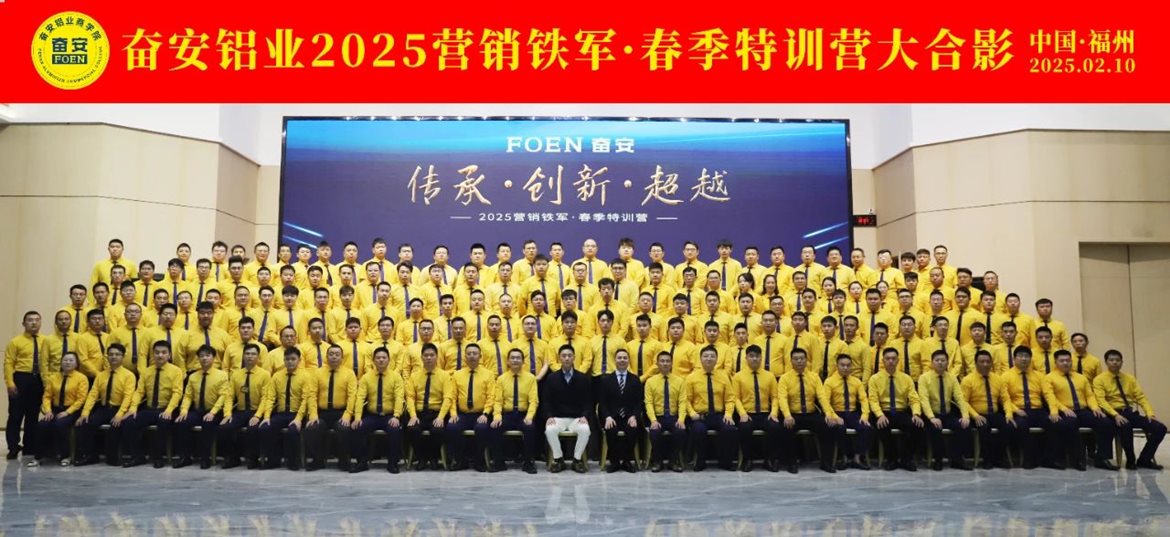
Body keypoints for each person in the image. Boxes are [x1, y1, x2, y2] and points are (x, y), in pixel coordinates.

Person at [1045, 349, 1118, 471]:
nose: (1065, 363)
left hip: (1083, 410)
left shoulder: (1081, 377)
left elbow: (1089, 395)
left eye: (1068, 360)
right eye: (1062, 361)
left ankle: (1102, 458)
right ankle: (1077, 460)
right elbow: (1050, 397)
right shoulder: (1049, 378)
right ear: (1056, 362)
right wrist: (1063, 409)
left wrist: (1095, 408)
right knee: (1071, 424)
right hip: (1065, 411)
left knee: (1105, 422)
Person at [1093, 349, 1165, 470]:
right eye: (1111, 360)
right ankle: (1130, 460)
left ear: (1122, 362)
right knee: (1125, 425)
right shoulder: (1099, 379)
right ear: (1106, 362)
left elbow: (1141, 397)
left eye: (1117, 360)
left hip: (1129, 412)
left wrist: (1150, 413)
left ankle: (1145, 459)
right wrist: (1115, 415)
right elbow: (1101, 400)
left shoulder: (1129, 378)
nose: (1115, 362)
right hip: (1112, 413)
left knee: (1160, 428)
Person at [1002, 346, 1072, 469]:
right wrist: (1015, 410)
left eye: (1026, 356)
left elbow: (1048, 394)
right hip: (1019, 410)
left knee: (1058, 424)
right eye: (1020, 356)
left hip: (1038, 410)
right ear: (1014, 359)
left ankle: (1050, 459)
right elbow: (1004, 398)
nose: (1024, 359)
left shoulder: (1039, 376)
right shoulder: (1005, 376)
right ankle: (1029, 460)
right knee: (1021, 426)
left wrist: (1054, 411)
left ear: (1031, 359)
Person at [120, 341, 185, 468]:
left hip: (167, 409)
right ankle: (138, 456)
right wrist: (133, 408)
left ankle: (158, 457)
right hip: (149, 409)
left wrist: (169, 410)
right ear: (152, 354)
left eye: (164, 352)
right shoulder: (146, 371)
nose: (160, 355)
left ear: (169, 355)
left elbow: (177, 393)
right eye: (157, 352)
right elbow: (139, 392)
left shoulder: (176, 371)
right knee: (128, 422)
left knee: (163, 422)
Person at [775, 348, 837, 473]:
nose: (799, 361)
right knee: (786, 428)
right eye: (796, 359)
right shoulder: (785, 378)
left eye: (802, 358)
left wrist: (828, 413)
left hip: (811, 414)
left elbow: (822, 397)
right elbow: (782, 398)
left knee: (829, 427)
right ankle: (791, 463)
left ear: (806, 360)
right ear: (791, 361)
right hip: (793, 415)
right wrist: (787, 415)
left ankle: (826, 463)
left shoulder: (814, 377)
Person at [74, 344, 137, 466]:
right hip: (103, 409)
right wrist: (85, 413)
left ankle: (112, 458)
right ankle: (91, 456)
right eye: (111, 354)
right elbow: (92, 395)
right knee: (85, 423)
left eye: (117, 354)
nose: (114, 357)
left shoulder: (129, 375)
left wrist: (119, 415)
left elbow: (128, 397)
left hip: (119, 409)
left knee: (115, 428)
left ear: (123, 357)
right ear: (107, 356)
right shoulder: (101, 375)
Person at [348, 346, 406, 474]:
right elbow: (360, 398)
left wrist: (396, 416)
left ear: (389, 360)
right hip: (372, 416)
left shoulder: (396, 377)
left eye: (384, 357)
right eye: (378, 358)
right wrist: (357, 417)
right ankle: (362, 462)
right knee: (358, 428)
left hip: (389, 416)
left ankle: (393, 463)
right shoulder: (366, 377)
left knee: (395, 430)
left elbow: (399, 398)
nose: (381, 360)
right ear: (373, 360)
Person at [256, 347, 314, 470]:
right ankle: (273, 460)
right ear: (284, 360)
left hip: (297, 414)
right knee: (265, 428)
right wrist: (266, 417)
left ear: (299, 360)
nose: (290, 362)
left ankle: (293, 461)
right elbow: (270, 398)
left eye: (293, 359)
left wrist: (298, 419)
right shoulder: (277, 376)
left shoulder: (306, 376)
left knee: (293, 430)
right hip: (281, 413)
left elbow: (306, 400)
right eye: (287, 359)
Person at [174, 345, 231, 469]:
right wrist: (183, 411)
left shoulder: (222, 375)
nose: (204, 358)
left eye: (207, 355)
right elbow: (188, 396)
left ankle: (205, 459)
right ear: (198, 358)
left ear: (214, 358)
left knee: (208, 424)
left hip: (214, 411)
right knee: (182, 422)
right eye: (201, 356)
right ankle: (185, 457)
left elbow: (223, 396)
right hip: (198, 410)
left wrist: (213, 412)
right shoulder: (193, 376)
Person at [868, 347, 925, 471]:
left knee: (918, 426)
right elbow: (873, 400)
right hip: (884, 411)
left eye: (893, 359)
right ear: (883, 360)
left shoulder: (906, 378)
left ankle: (906, 459)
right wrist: (879, 415)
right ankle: (891, 459)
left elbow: (914, 399)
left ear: (898, 360)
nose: (891, 361)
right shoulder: (874, 379)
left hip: (901, 412)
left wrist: (916, 414)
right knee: (882, 426)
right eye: (888, 359)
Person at [683, 345, 738, 471]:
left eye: (712, 356)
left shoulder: (723, 376)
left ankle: (725, 462)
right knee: (698, 430)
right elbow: (686, 400)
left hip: (719, 415)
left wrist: (728, 414)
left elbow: (730, 398)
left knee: (729, 429)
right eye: (706, 356)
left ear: (717, 359)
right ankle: (700, 461)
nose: (709, 359)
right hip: (700, 416)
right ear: (700, 359)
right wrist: (692, 413)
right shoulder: (691, 377)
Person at [918, 349, 974, 471]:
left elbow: (960, 398)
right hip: (931, 414)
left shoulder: (952, 378)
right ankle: (938, 460)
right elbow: (924, 400)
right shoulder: (924, 378)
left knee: (964, 426)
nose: (940, 363)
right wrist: (932, 418)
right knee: (935, 428)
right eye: (937, 360)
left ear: (947, 362)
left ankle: (957, 459)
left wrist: (965, 416)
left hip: (947, 414)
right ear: (932, 363)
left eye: (943, 360)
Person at [304, 345, 358, 471]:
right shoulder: (317, 373)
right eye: (331, 354)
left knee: (344, 429)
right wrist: (313, 414)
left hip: (341, 412)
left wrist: (348, 415)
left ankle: (344, 461)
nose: (334, 357)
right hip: (322, 413)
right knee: (312, 428)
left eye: (337, 354)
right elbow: (312, 395)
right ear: (326, 356)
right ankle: (318, 460)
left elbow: (352, 396)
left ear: (342, 357)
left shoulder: (349, 373)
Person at [31, 353, 88, 467]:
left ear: (76, 364)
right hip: (55, 409)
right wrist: (48, 411)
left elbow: (81, 399)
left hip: (72, 410)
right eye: (65, 360)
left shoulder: (81, 378)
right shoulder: (53, 377)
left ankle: (65, 456)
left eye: (71, 360)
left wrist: (67, 412)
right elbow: (47, 396)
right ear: (61, 362)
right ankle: (38, 457)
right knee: (42, 425)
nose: (67, 362)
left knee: (60, 425)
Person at [444, 343, 495, 472]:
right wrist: (453, 414)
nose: (472, 356)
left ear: (480, 356)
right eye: (469, 354)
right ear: (465, 356)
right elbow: (452, 397)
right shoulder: (457, 375)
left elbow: (491, 396)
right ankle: (460, 461)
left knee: (481, 428)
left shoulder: (488, 374)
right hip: (463, 414)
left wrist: (486, 413)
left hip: (481, 414)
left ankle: (479, 461)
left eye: (475, 353)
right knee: (452, 427)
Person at [542, 344, 593, 473]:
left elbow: (588, 401)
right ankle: (559, 459)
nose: (567, 358)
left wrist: (585, 415)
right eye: (564, 356)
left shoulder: (582, 378)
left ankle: (577, 460)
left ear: (574, 358)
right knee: (550, 430)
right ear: (559, 358)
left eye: (569, 356)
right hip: (558, 418)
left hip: (577, 418)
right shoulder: (552, 378)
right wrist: (549, 416)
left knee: (585, 430)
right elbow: (546, 401)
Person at [219, 343, 270, 469]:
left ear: (258, 357)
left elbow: (265, 398)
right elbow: (229, 396)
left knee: (253, 429)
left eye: (253, 354)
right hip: (241, 411)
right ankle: (232, 458)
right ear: (243, 356)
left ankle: (252, 459)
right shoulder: (236, 375)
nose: (250, 356)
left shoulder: (265, 375)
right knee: (225, 427)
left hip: (256, 411)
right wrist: (227, 414)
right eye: (247, 354)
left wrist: (258, 416)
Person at [960, 350, 1013, 469]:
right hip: (977, 414)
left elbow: (1005, 399)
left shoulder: (998, 379)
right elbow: (963, 402)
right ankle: (987, 460)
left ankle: (999, 458)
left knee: (1008, 426)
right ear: (976, 363)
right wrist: (975, 415)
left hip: (993, 413)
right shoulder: (968, 380)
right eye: (982, 362)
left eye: (988, 362)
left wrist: (1009, 414)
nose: (985, 364)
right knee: (984, 427)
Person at [489, 349, 540, 474]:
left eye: (518, 358)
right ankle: (499, 462)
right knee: (495, 427)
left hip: (523, 415)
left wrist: (529, 417)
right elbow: (498, 401)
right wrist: (497, 416)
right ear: (507, 361)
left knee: (530, 428)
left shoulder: (531, 378)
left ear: (523, 361)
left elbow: (534, 401)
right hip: (508, 415)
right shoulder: (501, 379)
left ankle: (528, 463)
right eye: (512, 358)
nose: (515, 360)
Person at [5, 311, 47, 461]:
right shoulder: (15, 342)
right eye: (30, 320)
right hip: (21, 378)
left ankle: (29, 446)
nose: (34, 322)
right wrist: (10, 383)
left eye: (37, 320)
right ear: (24, 323)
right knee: (15, 415)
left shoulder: (45, 341)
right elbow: (8, 363)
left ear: (40, 322)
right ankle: (13, 446)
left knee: (33, 414)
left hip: (38, 379)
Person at [732, 345, 781, 471]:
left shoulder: (770, 376)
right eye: (751, 356)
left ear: (761, 358)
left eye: (757, 356)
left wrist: (774, 413)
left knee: (775, 427)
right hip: (747, 413)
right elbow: (736, 398)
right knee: (744, 428)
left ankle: (769, 460)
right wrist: (742, 413)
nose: (754, 359)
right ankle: (748, 460)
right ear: (746, 358)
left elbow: (775, 397)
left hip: (765, 413)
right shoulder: (738, 376)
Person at [405, 343, 451, 470]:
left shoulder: (445, 376)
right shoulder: (414, 376)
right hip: (419, 413)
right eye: (426, 355)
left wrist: (441, 417)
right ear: (421, 357)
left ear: (437, 357)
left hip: (436, 413)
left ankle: (434, 457)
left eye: (432, 355)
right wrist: (413, 416)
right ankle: (422, 458)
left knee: (438, 431)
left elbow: (447, 398)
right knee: (412, 429)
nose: (429, 358)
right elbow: (410, 397)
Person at [823, 354, 873, 470]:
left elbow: (864, 399)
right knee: (839, 429)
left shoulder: (856, 381)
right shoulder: (829, 382)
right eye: (842, 365)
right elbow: (825, 402)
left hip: (852, 413)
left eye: (848, 365)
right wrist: (834, 417)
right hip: (837, 412)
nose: (845, 368)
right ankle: (844, 458)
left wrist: (864, 416)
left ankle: (857, 458)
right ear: (837, 366)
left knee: (867, 428)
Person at [597, 348, 643, 473]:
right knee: (611, 430)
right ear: (615, 360)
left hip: (629, 417)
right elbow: (602, 402)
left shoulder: (635, 380)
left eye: (625, 358)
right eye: (619, 358)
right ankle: (614, 462)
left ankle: (627, 461)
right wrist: (607, 417)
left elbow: (639, 402)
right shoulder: (606, 380)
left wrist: (634, 416)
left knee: (633, 430)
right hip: (612, 416)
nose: (622, 360)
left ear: (628, 361)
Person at [645, 351, 685, 472]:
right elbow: (648, 403)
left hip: (673, 417)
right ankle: (657, 461)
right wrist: (653, 420)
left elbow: (682, 402)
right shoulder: (650, 381)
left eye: (668, 361)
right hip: (658, 417)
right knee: (655, 432)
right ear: (657, 363)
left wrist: (681, 419)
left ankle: (673, 461)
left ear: (672, 363)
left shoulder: (680, 381)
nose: (665, 363)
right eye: (662, 361)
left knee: (680, 431)